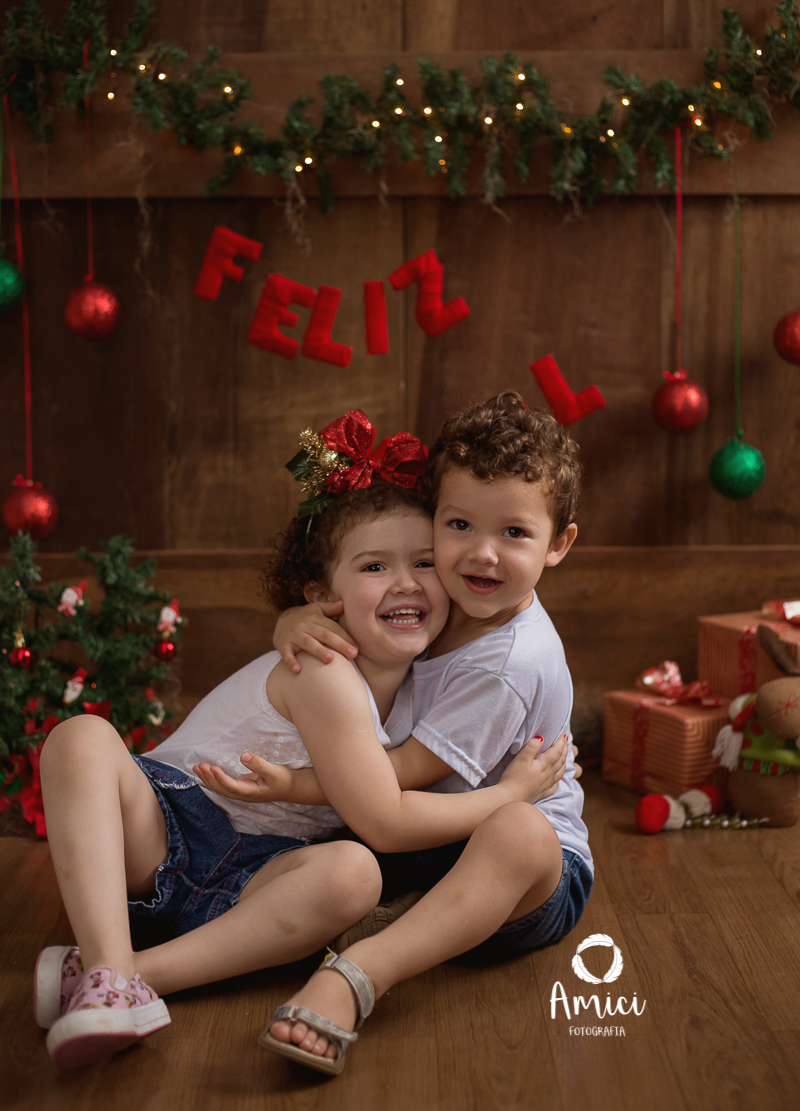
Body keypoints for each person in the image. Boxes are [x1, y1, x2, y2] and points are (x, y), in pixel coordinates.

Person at [35, 409, 563, 1069]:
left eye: (425, 562)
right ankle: (112, 971)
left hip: (257, 879)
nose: (406, 582)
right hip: (165, 830)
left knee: (353, 875)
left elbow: (372, 795)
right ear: (322, 597)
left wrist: (291, 617)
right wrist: (510, 795)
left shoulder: (430, 671)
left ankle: (122, 976)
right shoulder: (325, 668)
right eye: (375, 566)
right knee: (81, 736)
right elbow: (385, 817)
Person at [200, 393, 593, 1076]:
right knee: (335, 864)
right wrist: (293, 621)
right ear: (433, 519)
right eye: (460, 524)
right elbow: (350, 621)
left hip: (522, 879)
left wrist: (297, 784)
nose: (482, 554)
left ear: (558, 544)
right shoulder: (436, 599)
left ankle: (356, 975)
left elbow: (395, 777)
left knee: (519, 833)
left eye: (514, 533)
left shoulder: (507, 662)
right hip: (419, 838)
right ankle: (398, 917)